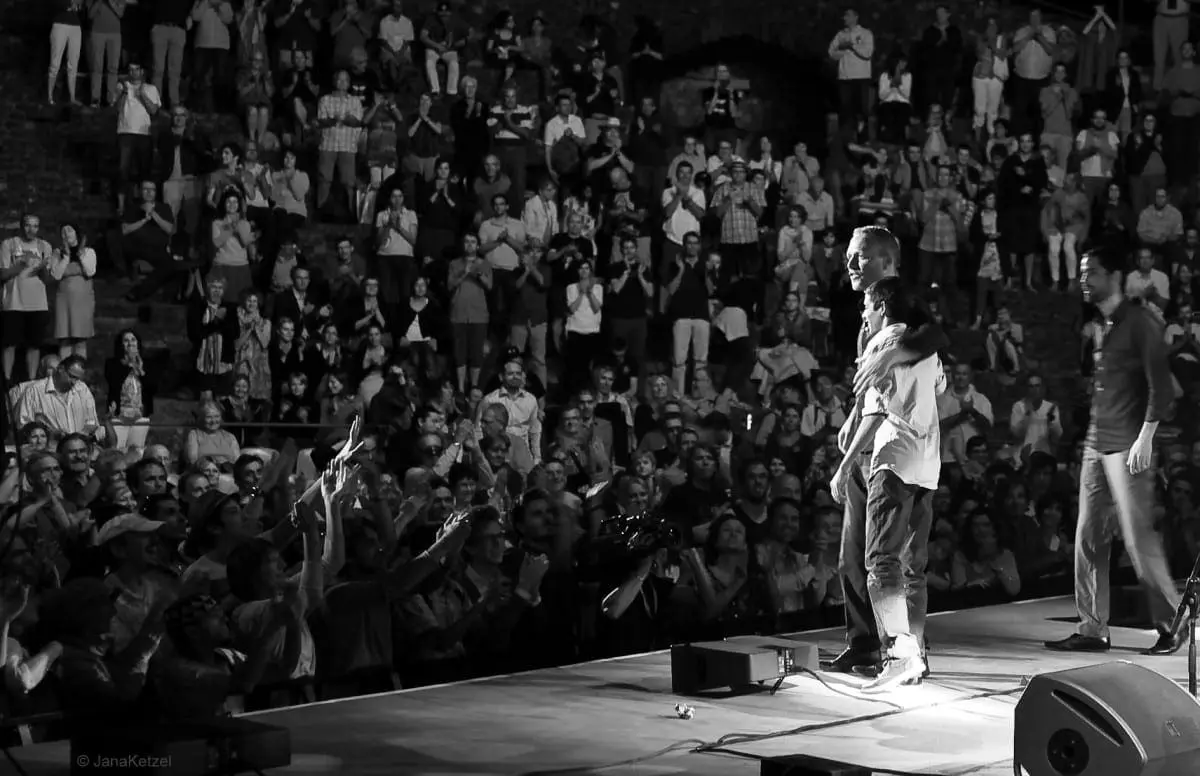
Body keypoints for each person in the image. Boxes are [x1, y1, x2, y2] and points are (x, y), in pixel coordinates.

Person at [821, 226, 948, 677]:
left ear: (886, 261)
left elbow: (935, 337)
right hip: (878, 447)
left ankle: (905, 651)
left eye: (859, 257)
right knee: (855, 557)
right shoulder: (869, 320)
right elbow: (872, 390)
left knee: (894, 560)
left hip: (894, 446)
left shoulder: (906, 309)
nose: (850, 265)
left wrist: (893, 355)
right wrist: (853, 417)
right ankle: (866, 645)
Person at [1045, 246, 1182, 655]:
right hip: (1097, 442)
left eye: (1092, 272)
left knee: (1137, 537)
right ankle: (1092, 628)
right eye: (1081, 272)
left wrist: (1146, 437)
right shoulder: (1102, 324)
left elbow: (1162, 386)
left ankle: (1173, 625)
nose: (1083, 279)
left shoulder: (1140, 321)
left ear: (1115, 276)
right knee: (1087, 536)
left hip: (1128, 445)